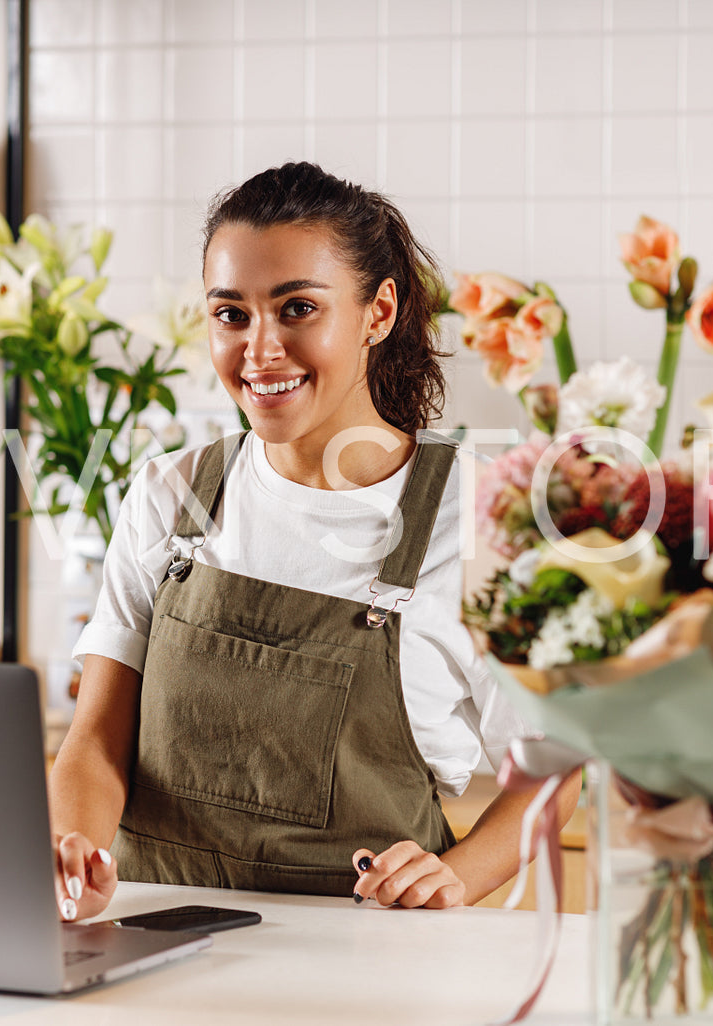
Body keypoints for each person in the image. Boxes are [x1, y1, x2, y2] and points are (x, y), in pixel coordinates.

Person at [48, 162, 579, 921]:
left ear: (377, 312)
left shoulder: (482, 519)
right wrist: (74, 848)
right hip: (154, 938)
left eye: (297, 308)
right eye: (230, 315)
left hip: (369, 962)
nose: (260, 350)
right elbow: (96, 739)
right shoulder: (170, 493)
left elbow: (553, 771)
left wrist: (454, 875)